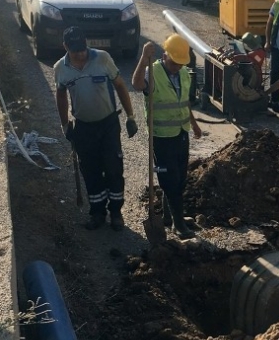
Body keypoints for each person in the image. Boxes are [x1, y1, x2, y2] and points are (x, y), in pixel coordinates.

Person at [55, 26, 138, 232]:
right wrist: (64, 125)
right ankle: (97, 212)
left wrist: (130, 116)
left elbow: (120, 85)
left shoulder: (102, 58)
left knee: (113, 169)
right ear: (65, 47)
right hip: (83, 128)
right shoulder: (61, 69)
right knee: (91, 171)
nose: (80, 54)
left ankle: (116, 212)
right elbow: (61, 95)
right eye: (75, 50)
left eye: (82, 48)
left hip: (108, 124)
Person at [132, 33, 202, 240]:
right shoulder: (152, 72)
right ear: (165, 56)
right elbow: (136, 85)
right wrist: (143, 58)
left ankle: (168, 217)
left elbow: (184, 102)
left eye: (180, 63)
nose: (177, 67)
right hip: (161, 137)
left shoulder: (184, 73)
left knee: (179, 177)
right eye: (174, 63)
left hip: (181, 133)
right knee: (170, 179)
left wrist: (194, 124)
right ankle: (179, 225)